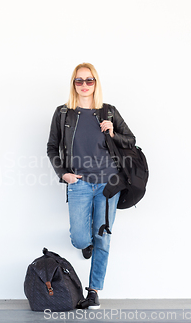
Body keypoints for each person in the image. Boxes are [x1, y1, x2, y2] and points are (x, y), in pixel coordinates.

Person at [47, 63, 135, 309]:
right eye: (79, 81)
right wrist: (63, 173)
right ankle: (87, 245)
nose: (84, 85)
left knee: (103, 238)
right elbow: (52, 147)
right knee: (79, 237)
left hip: (109, 184)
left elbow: (131, 140)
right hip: (79, 183)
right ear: (73, 84)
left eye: (89, 80)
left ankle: (94, 291)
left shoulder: (108, 112)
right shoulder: (63, 113)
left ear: (96, 83)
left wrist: (113, 132)